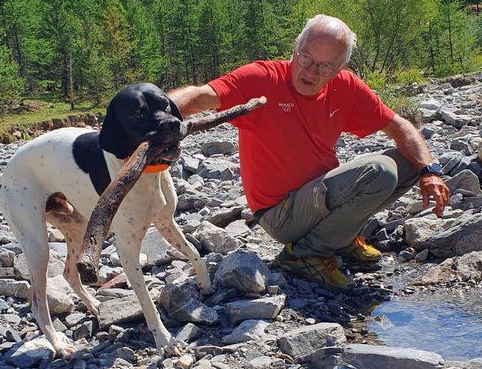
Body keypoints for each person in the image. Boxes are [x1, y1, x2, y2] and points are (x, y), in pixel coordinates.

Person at [169, 15, 450, 290]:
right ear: (295, 46)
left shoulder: (346, 87)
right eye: (305, 58)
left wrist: (430, 171)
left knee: (412, 161)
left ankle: (340, 237)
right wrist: (156, 109)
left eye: (324, 67)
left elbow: (398, 125)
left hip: (318, 194)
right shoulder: (263, 79)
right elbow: (202, 95)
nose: (310, 72)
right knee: (380, 172)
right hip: (280, 213)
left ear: (340, 67)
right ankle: (304, 255)